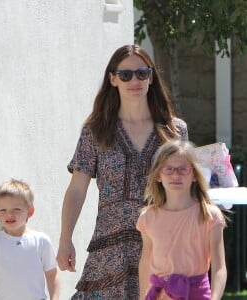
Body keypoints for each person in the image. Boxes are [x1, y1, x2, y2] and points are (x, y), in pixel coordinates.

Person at [56, 44, 188, 299]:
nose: (134, 80)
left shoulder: (174, 131)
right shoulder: (95, 131)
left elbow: (185, 187)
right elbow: (76, 189)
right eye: (125, 74)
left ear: (151, 77)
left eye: (141, 73)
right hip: (111, 246)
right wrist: (65, 239)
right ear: (113, 79)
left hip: (162, 242)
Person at [136, 140, 227, 300]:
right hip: (160, 295)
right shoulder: (147, 217)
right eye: (168, 169)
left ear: (194, 175)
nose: (175, 175)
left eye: (183, 169)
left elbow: (219, 268)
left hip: (197, 294)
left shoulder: (210, 215)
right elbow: (146, 262)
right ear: (158, 175)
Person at [0, 179, 60, 300]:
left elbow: (52, 274)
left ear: (30, 211)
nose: (9, 214)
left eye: (16, 209)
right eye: (3, 210)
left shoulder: (41, 241)